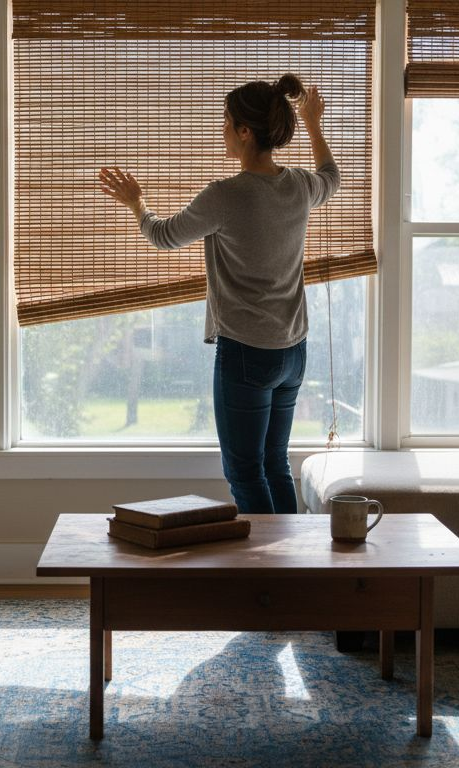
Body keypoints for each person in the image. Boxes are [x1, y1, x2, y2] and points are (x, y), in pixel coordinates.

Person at [98, 74, 339, 514]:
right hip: (293, 351)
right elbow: (332, 176)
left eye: (226, 123)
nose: (222, 130)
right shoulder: (300, 186)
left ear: (246, 131)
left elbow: (164, 235)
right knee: (275, 464)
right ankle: (293, 574)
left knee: (245, 472)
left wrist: (136, 203)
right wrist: (312, 122)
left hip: (246, 352)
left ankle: (265, 576)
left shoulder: (225, 195)